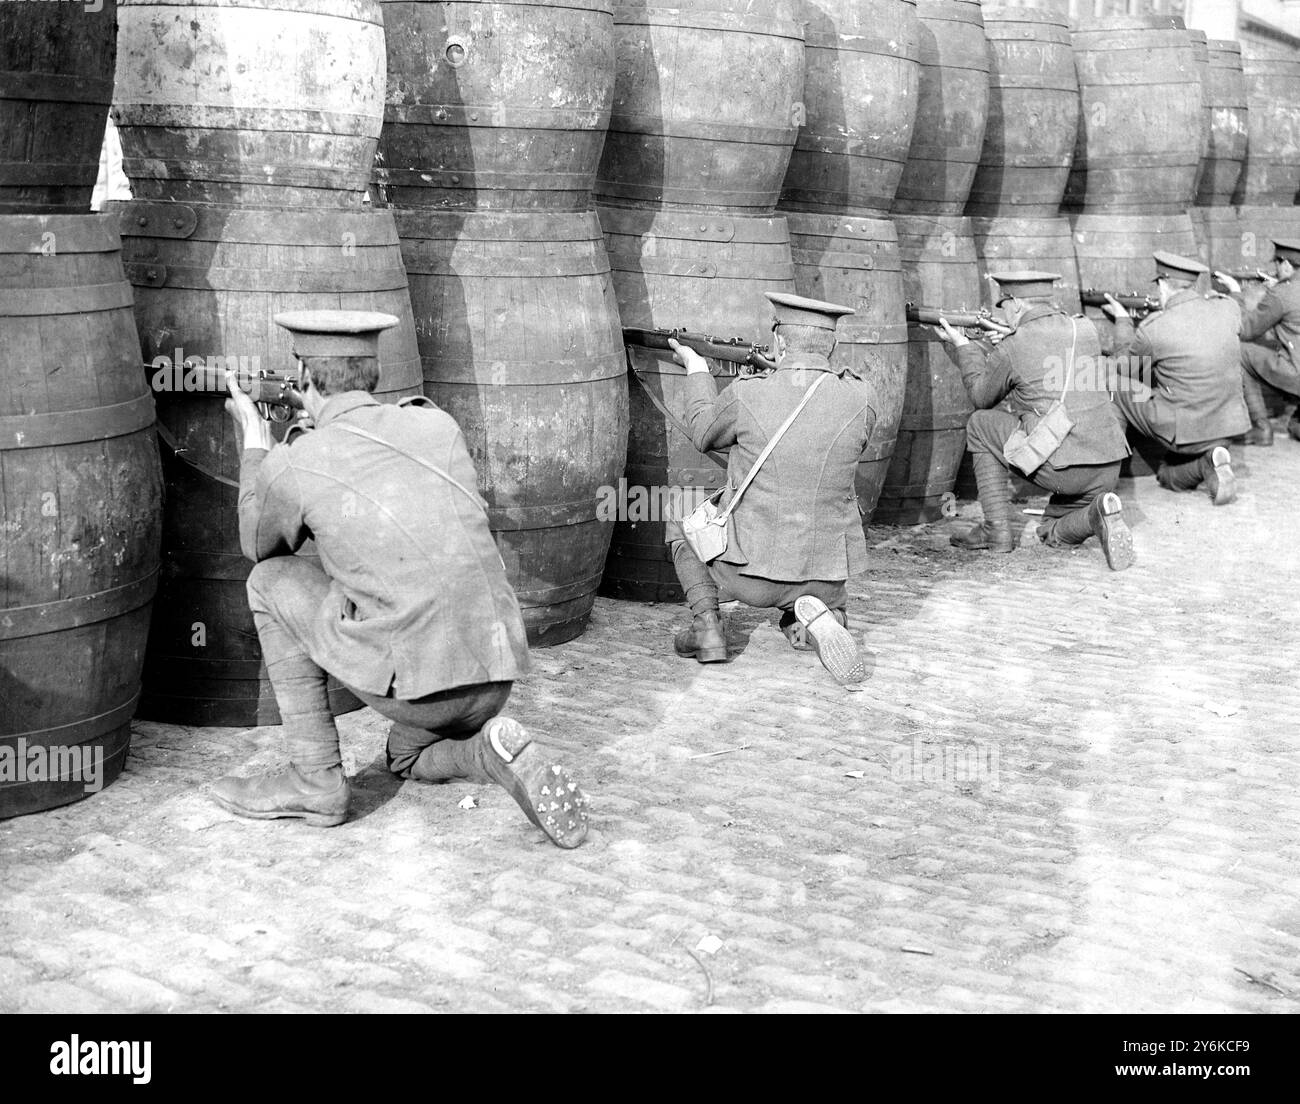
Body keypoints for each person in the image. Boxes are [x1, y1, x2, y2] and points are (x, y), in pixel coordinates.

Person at [211, 310, 588, 849]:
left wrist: (256, 443)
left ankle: (314, 779)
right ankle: (490, 752)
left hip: (419, 694)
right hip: (492, 677)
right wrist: (324, 415)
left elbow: (257, 547)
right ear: (374, 373)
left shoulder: (299, 458)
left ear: (305, 376)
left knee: (269, 582)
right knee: (403, 758)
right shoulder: (437, 425)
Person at [665, 292, 875, 687]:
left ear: (779, 341)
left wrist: (697, 370)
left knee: (679, 515)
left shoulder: (749, 392)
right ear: (833, 345)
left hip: (750, 578)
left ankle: (708, 627)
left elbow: (702, 434)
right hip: (824, 576)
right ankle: (818, 619)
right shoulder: (862, 397)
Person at [936, 271, 1134, 570]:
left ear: (1014, 303)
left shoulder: (1013, 345)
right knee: (1050, 530)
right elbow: (1047, 355)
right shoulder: (1084, 327)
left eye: (1003, 306)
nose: (1003, 313)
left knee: (979, 423)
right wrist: (1008, 341)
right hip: (1107, 466)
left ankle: (996, 531)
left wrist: (964, 347)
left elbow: (981, 396)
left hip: (1063, 469)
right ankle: (1097, 513)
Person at [1102, 251, 1246, 505]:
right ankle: (1209, 462)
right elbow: (1236, 304)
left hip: (1185, 435)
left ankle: (1104, 481)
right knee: (1168, 476)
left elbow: (1125, 369)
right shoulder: (1228, 308)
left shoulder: (1155, 327)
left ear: (1163, 284)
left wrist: (1123, 322)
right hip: (1228, 427)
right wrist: (1234, 291)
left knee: (1113, 385)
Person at [1215, 238, 1300, 445]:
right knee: (1295, 426)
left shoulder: (1281, 294)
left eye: (1277, 265)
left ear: (1287, 265)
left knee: (1240, 351)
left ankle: (1261, 428)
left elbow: (1245, 329)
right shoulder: (1283, 291)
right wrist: (1279, 287)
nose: (1276, 270)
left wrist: (1236, 292)